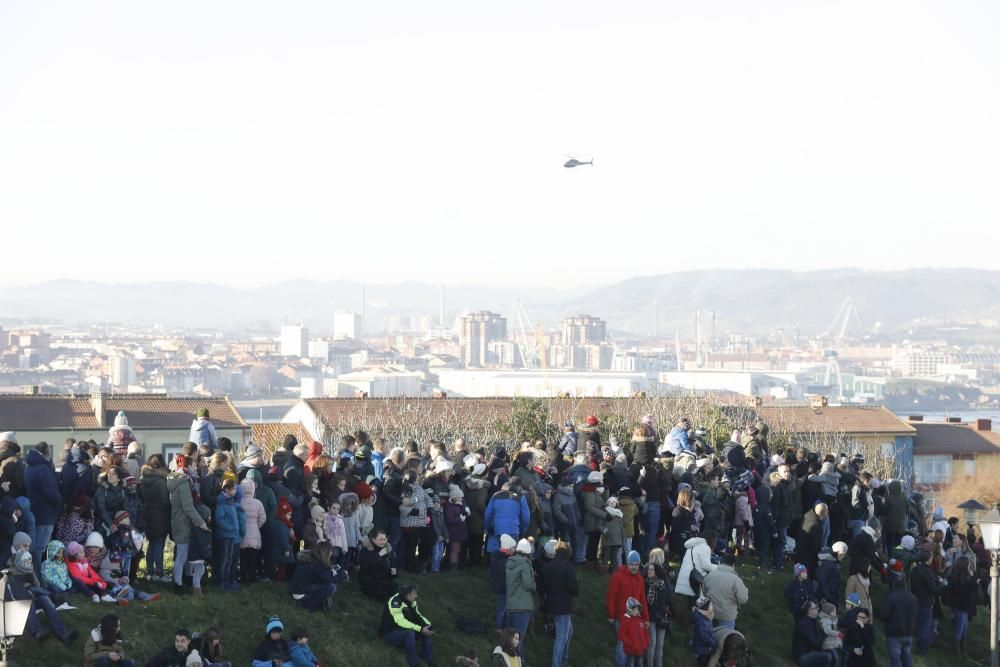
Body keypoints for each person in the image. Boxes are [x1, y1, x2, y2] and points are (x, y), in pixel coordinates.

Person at [6, 540, 77, 645]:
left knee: (44, 598)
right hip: (18, 603)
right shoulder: (9, 573)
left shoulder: (25, 570)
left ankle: (63, 633)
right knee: (29, 599)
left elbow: (36, 584)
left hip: (30, 597)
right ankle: (37, 631)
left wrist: (30, 571)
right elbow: (13, 594)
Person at [168, 453, 210, 595]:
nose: (195, 467)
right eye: (193, 465)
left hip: (178, 520)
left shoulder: (176, 478)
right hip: (184, 522)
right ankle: (178, 585)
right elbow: (188, 506)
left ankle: (182, 582)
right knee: (182, 555)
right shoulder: (184, 481)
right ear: (188, 465)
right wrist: (200, 522)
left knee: (184, 555)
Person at [539, 539, 578, 667]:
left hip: (551, 605)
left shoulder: (547, 567)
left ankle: (563, 660)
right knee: (561, 638)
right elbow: (574, 589)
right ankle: (558, 663)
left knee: (568, 632)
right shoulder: (569, 567)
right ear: (568, 553)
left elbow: (541, 587)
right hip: (564, 607)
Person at [607, 550, 648, 667]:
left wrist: (646, 618)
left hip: (636, 618)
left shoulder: (640, 579)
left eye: (637, 565)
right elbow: (611, 596)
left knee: (633, 644)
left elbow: (643, 600)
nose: (634, 567)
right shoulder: (618, 576)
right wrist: (610, 615)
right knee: (622, 643)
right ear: (627, 564)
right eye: (632, 564)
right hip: (621, 617)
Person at [24, 441, 61, 567]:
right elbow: (50, 492)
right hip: (46, 512)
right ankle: (38, 576)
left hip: (34, 509)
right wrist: (59, 500)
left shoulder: (28, 466)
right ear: (46, 453)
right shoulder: (43, 468)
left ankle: (34, 575)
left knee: (34, 546)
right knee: (40, 548)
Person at [378, 584, 434, 667]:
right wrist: (420, 628)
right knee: (410, 633)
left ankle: (427, 658)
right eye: (414, 593)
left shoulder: (411, 602)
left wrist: (428, 625)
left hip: (402, 630)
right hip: (389, 633)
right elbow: (400, 621)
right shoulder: (395, 602)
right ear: (408, 595)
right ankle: (414, 662)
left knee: (427, 629)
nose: (416, 596)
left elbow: (418, 616)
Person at [139, 454, 172, 583]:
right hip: (160, 514)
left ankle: (150, 572)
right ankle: (159, 573)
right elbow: (165, 501)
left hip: (147, 513)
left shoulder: (143, 479)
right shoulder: (161, 480)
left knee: (151, 544)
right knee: (159, 544)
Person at [505, 538, 536, 661]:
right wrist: (534, 584)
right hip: (522, 606)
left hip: (510, 605)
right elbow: (528, 584)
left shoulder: (509, 562)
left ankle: (509, 662)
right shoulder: (524, 564)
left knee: (511, 639)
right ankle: (520, 662)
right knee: (519, 639)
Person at [701, 552, 749, 631]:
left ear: (720, 562)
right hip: (727, 615)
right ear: (733, 565)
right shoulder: (736, 579)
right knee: (725, 639)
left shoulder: (710, 575)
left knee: (709, 636)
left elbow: (704, 592)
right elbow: (743, 599)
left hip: (710, 612)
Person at [289, 541, 341, 611]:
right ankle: (310, 605)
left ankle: (322, 603)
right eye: (330, 551)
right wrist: (343, 575)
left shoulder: (311, 558)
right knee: (331, 587)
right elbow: (329, 578)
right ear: (325, 552)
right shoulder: (317, 564)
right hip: (300, 592)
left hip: (295, 589)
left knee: (326, 585)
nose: (331, 553)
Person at [880, 573, 917, 667]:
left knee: (895, 659)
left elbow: (884, 615)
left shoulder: (891, 596)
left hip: (894, 633)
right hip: (908, 632)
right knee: (907, 655)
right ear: (906, 584)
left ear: (894, 583)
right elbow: (916, 614)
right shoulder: (913, 598)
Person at [908, 547, 939, 655]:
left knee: (919, 625)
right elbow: (933, 589)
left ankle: (918, 646)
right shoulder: (928, 572)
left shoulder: (915, 569)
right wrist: (939, 585)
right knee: (924, 628)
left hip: (915, 599)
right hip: (926, 602)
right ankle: (921, 650)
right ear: (929, 559)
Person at [946, 556, 978, 657]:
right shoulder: (963, 578)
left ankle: (961, 652)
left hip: (957, 606)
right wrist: (973, 576)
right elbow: (971, 588)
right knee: (960, 629)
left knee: (962, 628)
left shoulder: (954, 576)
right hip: (962, 607)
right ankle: (958, 653)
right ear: (965, 565)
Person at [359, 527, 399, 600]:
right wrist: (378, 555)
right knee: (383, 595)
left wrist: (394, 573)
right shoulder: (366, 550)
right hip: (369, 581)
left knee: (397, 592)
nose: (383, 542)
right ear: (374, 539)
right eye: (381, 539)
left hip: (383, 580)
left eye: (384, 539)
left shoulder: (388, 550)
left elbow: (391, 569)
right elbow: (365, 565)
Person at [793, 601, 837, 667]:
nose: (818, 609)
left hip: (812, 650)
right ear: (809, 611)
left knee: (832, 653)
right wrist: (825, 632)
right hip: (803, 656)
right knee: (827, 656)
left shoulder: (814, 620)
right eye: (816, 607)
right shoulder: (805, 625)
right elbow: (815, 642)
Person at [692, 596, 716, 667]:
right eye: (711, 605)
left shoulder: (705, 617)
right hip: (703, 650)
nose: (712, 606)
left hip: (704, 649)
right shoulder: (702, 621)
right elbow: (704, 637)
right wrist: (713, 642)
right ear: (705, 607)